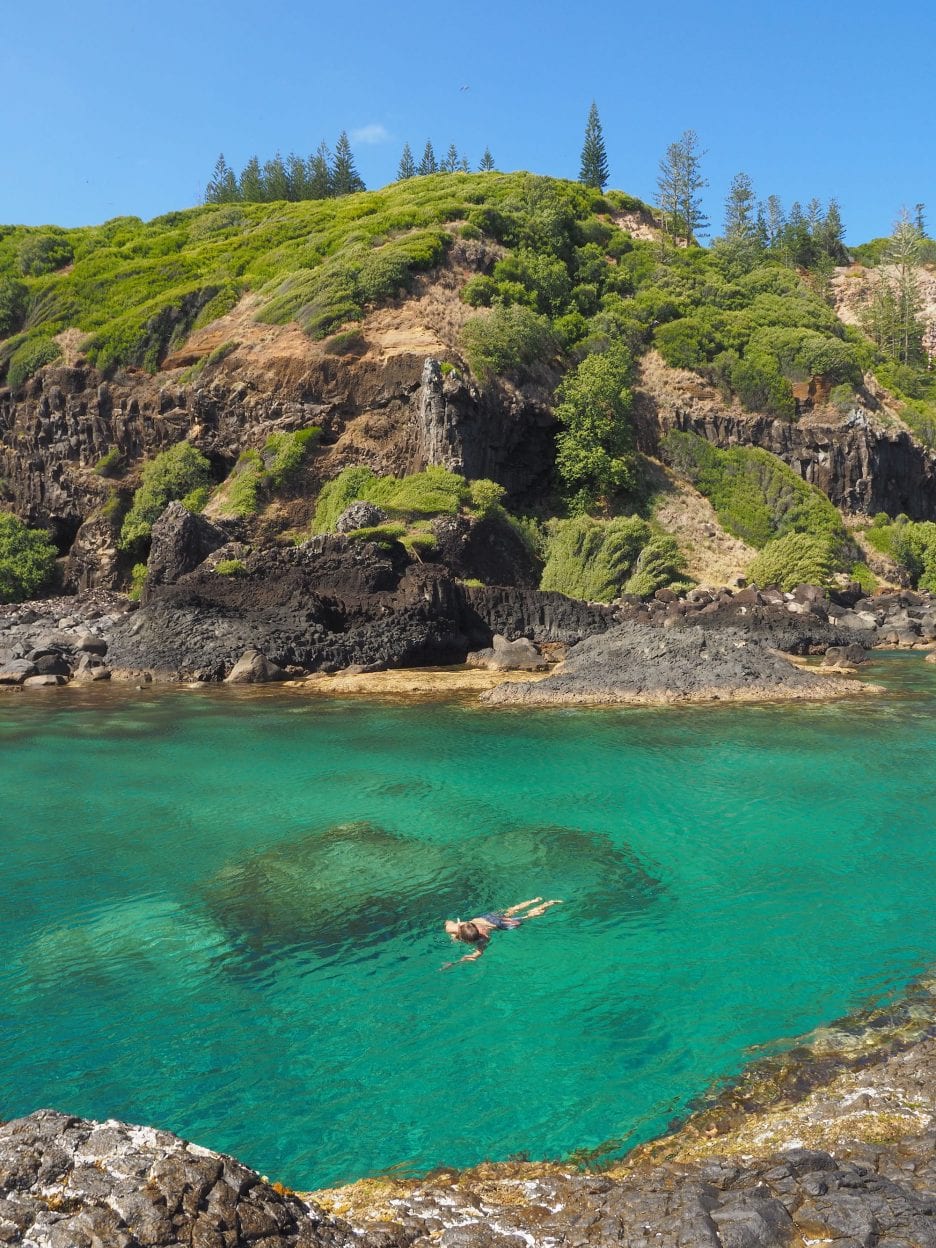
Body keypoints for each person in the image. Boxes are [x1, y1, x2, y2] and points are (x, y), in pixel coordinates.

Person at [441, 897, 562, 969]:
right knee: (511, 910)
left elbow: (479, 952)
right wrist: (455, 930)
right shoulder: (462, 926)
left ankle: (548, 904)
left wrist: (459, 961)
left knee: (526, 917)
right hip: (488, 917)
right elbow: (448, 923)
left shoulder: (483, 938)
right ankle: (534, 900)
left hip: (497, 924)